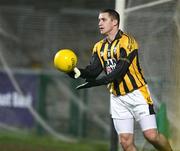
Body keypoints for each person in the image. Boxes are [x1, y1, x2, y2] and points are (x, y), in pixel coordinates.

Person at [68, 9, 173, 151]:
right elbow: (93, 71)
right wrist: (75, 71)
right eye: (99, 20)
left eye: (103, 20)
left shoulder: (128, 42)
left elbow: (119, 71)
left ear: (115, 22)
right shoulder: (99, 47)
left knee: (151, 136)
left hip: (137, 94)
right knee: (125, 142)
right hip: (117, 98)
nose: (99, 23)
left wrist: (98, 82)